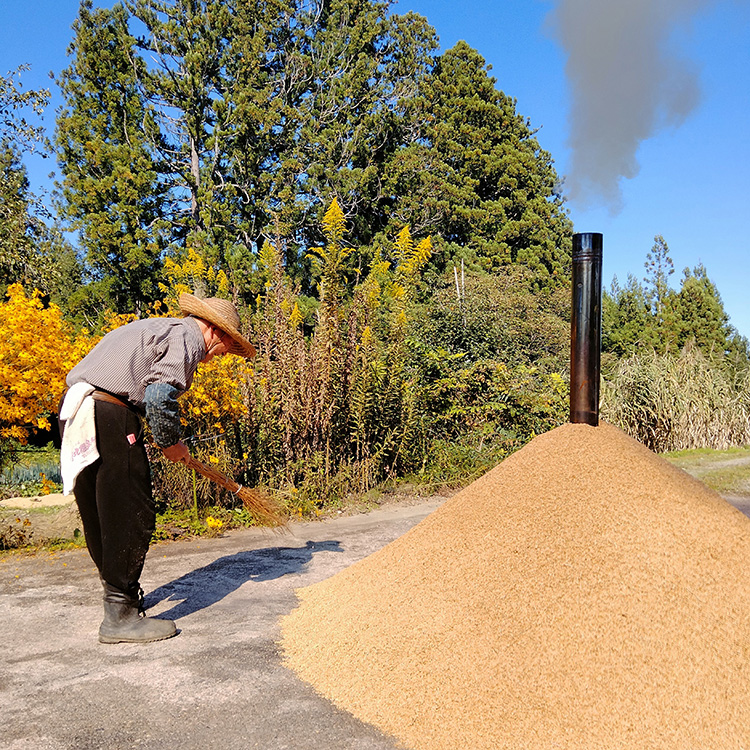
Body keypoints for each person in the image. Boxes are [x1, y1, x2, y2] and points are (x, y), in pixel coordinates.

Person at [58, 294, 256, 644]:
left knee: (100, 513)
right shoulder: (185, 336)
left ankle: (120, 598)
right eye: (226, 346)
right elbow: (159, 395)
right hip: (109, 414)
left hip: (75, 411)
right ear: (213, 329)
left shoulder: (154, 328)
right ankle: (120, 616)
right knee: (131, 512)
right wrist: (169, 442)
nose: (218, 356)